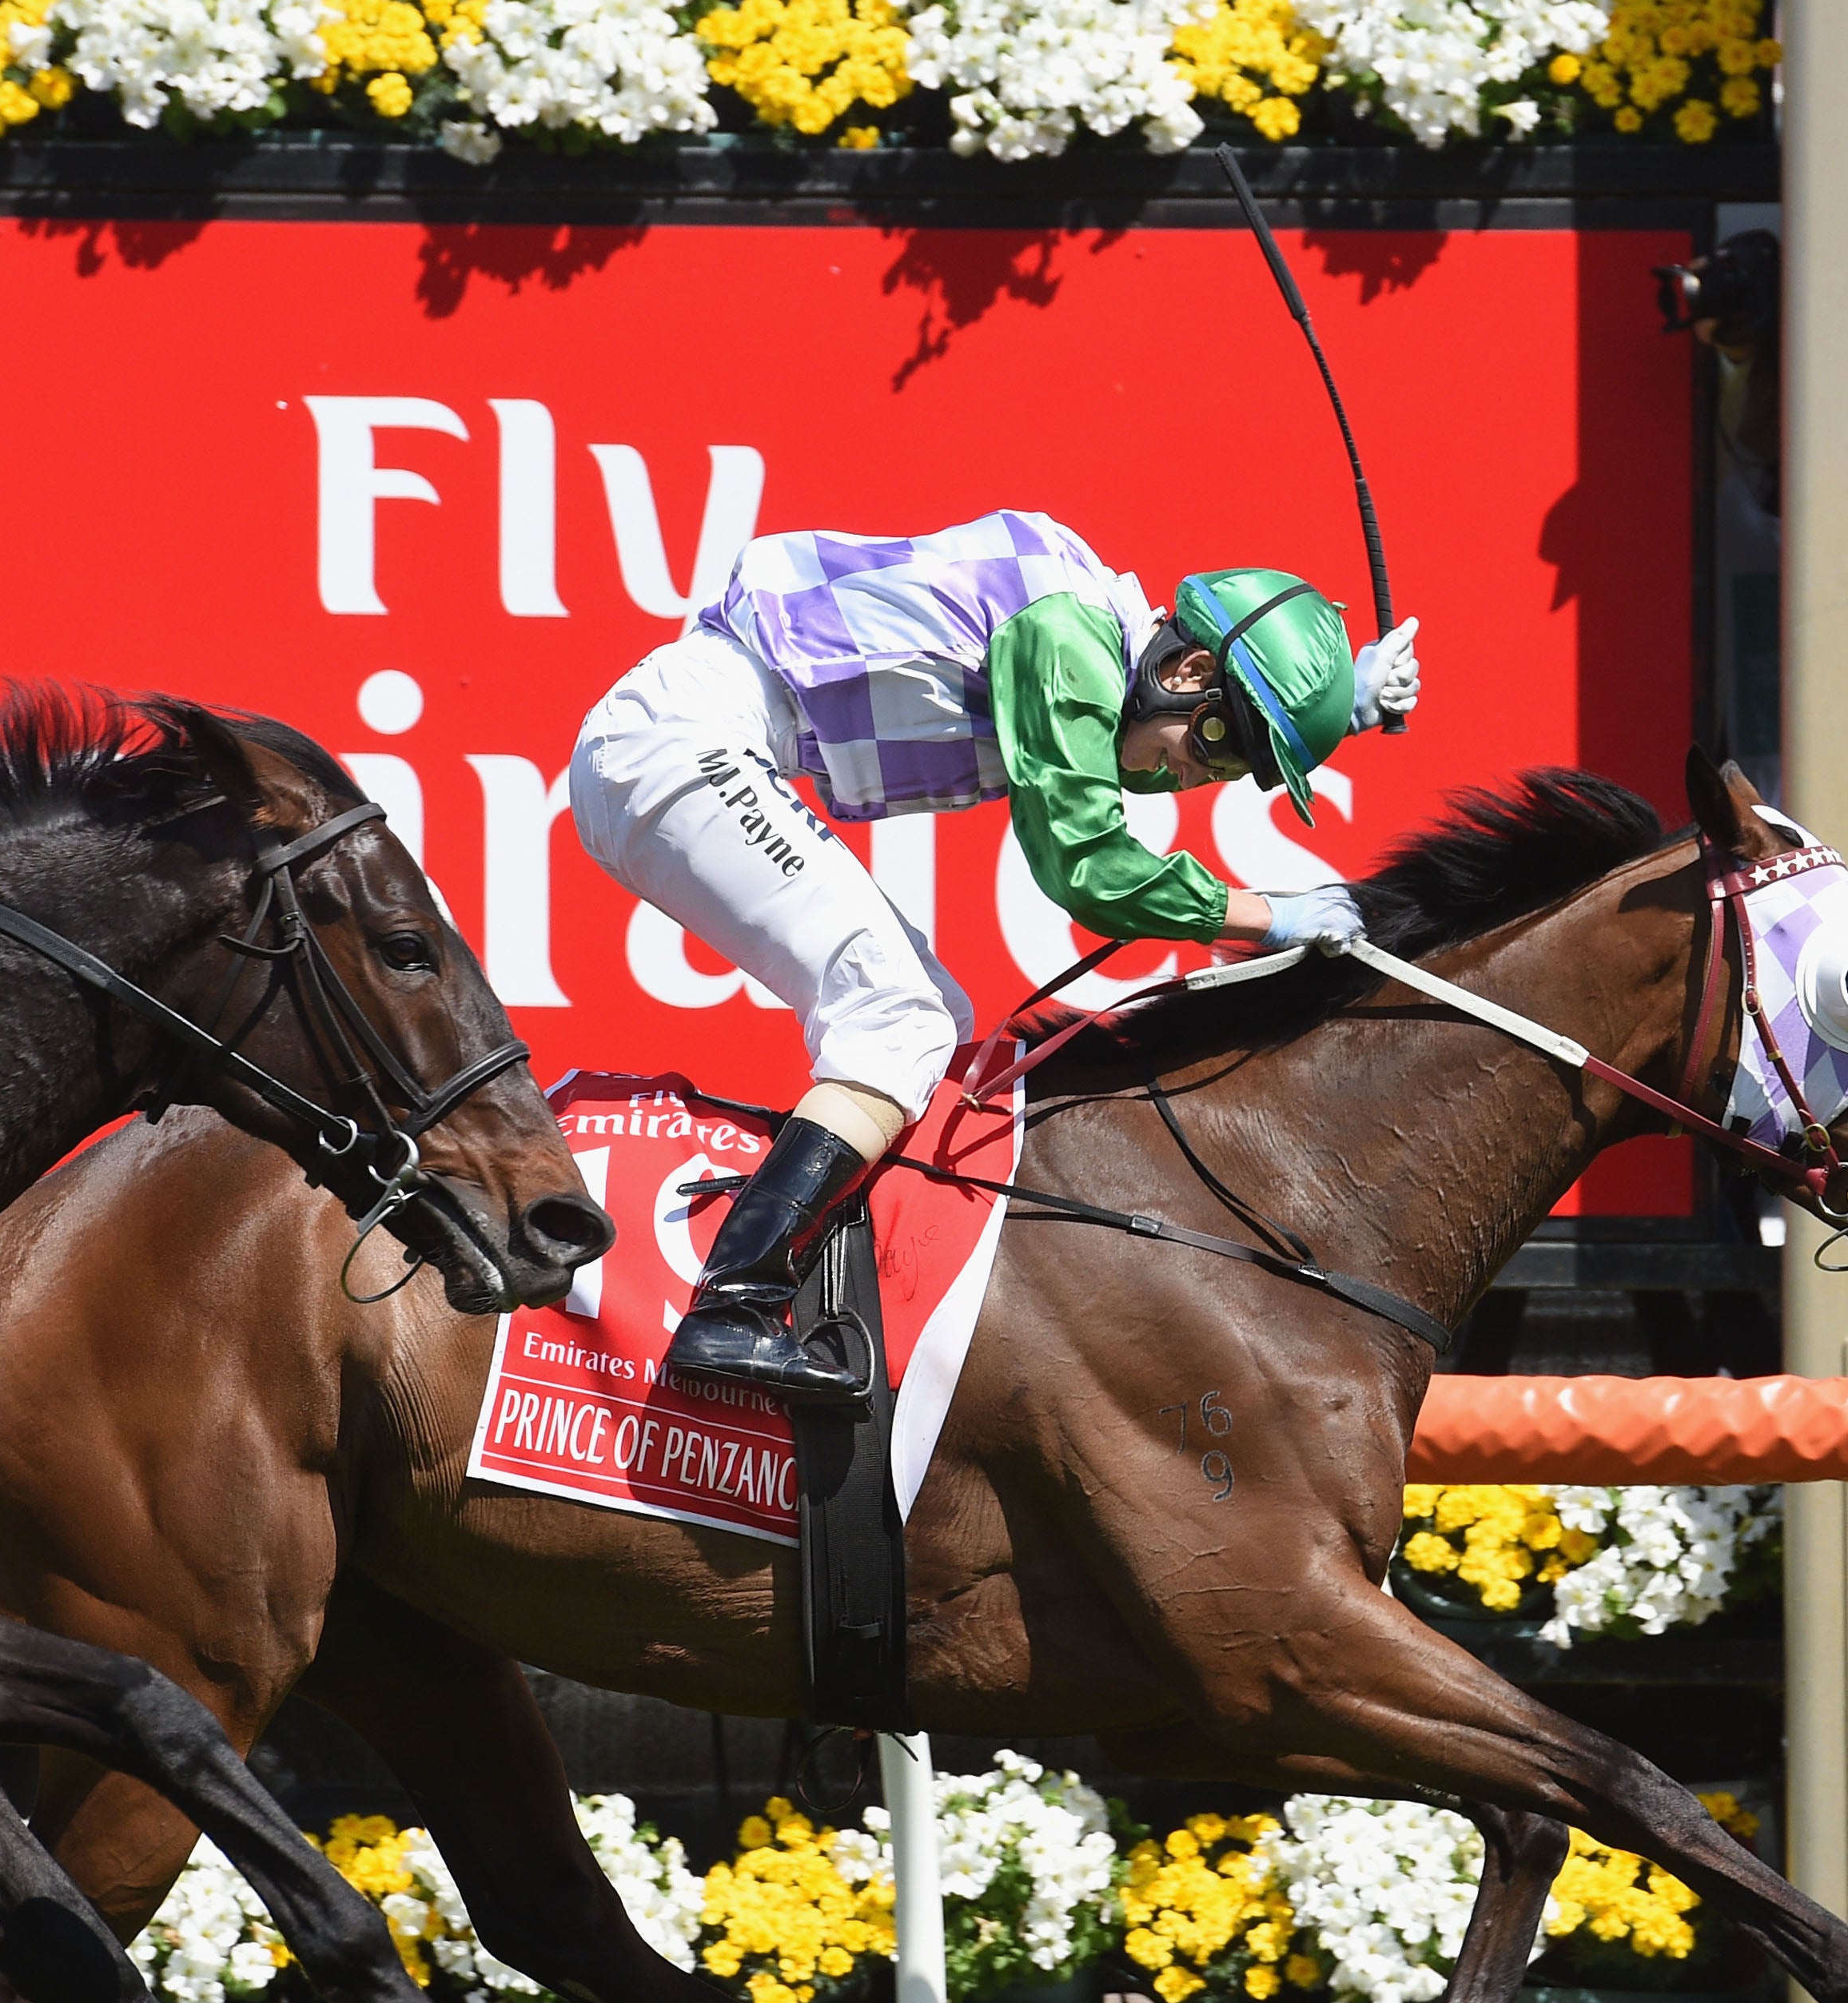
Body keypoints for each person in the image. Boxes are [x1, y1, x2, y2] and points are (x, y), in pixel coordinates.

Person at [568, 509, 1420, 1401]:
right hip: (682, 742)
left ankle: (817, 1282)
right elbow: (1085, 864)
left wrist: (1328, 714)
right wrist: (1266, 915)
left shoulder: (1097, 642)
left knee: (934, 1016)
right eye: (1222, 741)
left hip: (694, 740)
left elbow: (1120, 752)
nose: (1199, 777)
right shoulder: (1066, 632)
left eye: (1238, 766)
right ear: (1189, 668)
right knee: (896, 1015)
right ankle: (729, 1310)